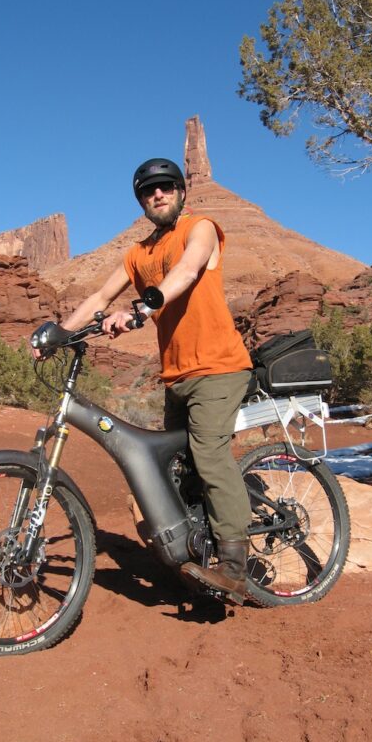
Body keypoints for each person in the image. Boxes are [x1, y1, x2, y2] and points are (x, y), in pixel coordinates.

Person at [61, 158, 253, 603]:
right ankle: (190, 553)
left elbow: (186, 273)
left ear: (181, 191)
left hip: (219, 368)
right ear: (141, 201)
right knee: (177, 469)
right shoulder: (137, 253)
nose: (158, 195)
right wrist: (57, 334)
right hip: (177, 376)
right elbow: (99, 297)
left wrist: (140, 310)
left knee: (208, 456)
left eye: (166, 187)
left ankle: (234, 569)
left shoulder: (200, 227)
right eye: (149, 191)